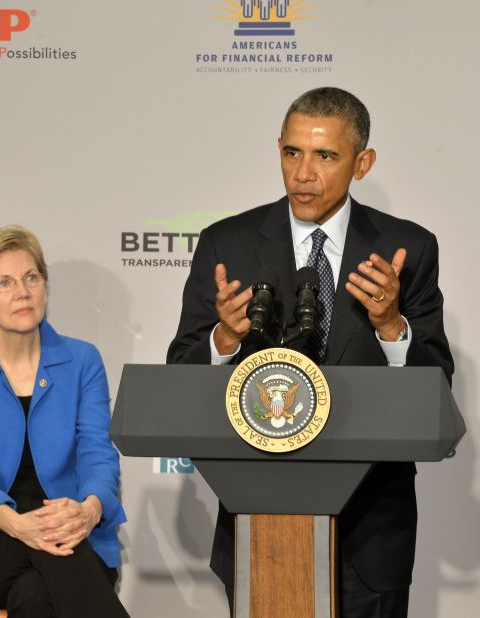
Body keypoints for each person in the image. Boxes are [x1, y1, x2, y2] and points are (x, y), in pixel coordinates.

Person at [167, 86, 454, 617]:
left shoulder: (407, 249)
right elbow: (179, 379)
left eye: (325, 156)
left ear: (361, 163)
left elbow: (436, 390)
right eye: (292, 153)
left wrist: (392, 325)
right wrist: (223, 340)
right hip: (259, 521)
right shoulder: (225, 244)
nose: (303, 173)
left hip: (372, 530)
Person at [0, 225, 130, 618]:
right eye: (4, 283)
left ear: (45, 288)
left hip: (73, 533)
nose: (22, 291)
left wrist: (88, 511)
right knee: (57, 557)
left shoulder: (82, 361)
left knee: (34, 598)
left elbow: (97, 454)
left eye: (31, 277)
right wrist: (20, 526)